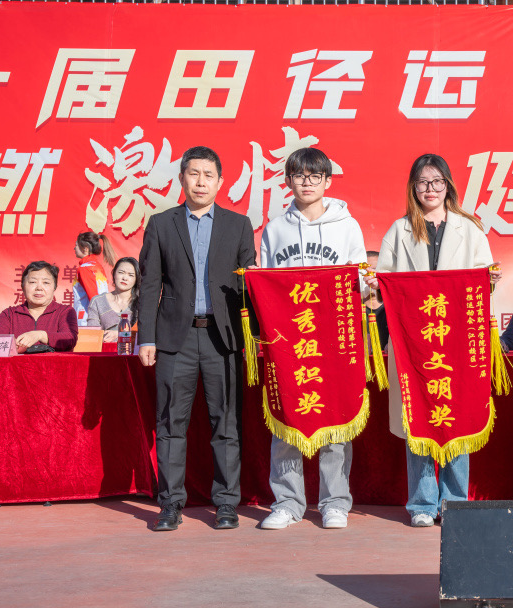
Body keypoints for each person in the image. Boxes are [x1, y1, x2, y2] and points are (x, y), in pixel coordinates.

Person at [367, 153, 500, 527]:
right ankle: (423, 503)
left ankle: (454, 502)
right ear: (413, 187)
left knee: (458, 419)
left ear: (448, 186)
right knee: (418, 420)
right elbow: (385, 283)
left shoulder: (469, 229)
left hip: (457, 342)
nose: (430, 189)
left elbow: (483, 281)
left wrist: (489, 280)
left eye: (437, 181)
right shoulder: (399, 230)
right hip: (413, 344)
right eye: (423, 182)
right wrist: (375, 282)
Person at [138, 146, 257, 532]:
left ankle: (226, 503)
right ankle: (170, 503)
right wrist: (146, 338)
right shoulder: (162, 224)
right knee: (171, 421)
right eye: (194, 174)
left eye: (208, 175)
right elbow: (149, 284)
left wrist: (254, 338)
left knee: (227, 422)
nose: (201, 182)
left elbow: (250, 283)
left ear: (220, 182)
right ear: (182, 179)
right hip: (176, 339)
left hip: (224, 339)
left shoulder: (238, 225)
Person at [258, 147, 367, 531]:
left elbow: (360, 280)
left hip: (333, 337)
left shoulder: (347, 226)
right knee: (287, 416)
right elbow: (267, 283)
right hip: (290, 339)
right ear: (288, 180)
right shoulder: (275, 229)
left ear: (327, 181)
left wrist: (365, 283)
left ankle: (334, 502)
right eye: (299, 176)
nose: (307, 183)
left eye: (314, 176)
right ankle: (287, 503)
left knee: (335, 419)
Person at [0, 261, 78, 353]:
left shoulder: (65, 311)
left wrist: (40, 335)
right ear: (23, 286)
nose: (39, 288)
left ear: (54, 287)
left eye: (46, 282)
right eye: (32, 282)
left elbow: (70, 339)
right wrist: (11, 345)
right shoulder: (9, 314)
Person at [86, 257, 140, 343]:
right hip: (105, 349)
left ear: (136, 279)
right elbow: (92, 334)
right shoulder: (97, 301)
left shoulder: (141, 303)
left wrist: (119, 334)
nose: (125, 278)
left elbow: (144, 333)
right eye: (121, 272)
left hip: (132, 350)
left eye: (131, 275)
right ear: (114, 274)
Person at [72, 231, 115, 325]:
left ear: (85, 249)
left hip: (86, 320)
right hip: (97, 318)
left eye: (76, 245)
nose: (74, 248)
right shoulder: (97, 266)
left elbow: (94, 297)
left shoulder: (84, 269)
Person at [363, 250, 389, 351]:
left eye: (374, 270)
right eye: (365, 271)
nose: (370, 276)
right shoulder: (353, 310)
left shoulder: (392, 308)